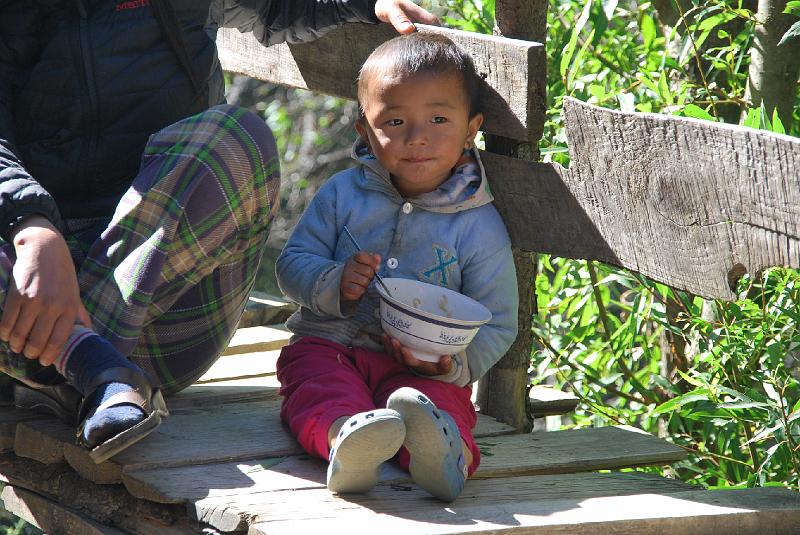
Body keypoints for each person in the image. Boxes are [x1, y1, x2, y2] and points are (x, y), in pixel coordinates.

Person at [0, 0, 438, 465]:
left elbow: (279, 6)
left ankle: (82, 360)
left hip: (159, 325)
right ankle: (93, 367)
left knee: (237, 137)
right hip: (18, 305)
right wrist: (30, 227)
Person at [275, 33, 519, 502]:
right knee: (316, 386)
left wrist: (451, 366)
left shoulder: (478, 226)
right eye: (395, 121)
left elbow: (499, 320)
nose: (417, 137)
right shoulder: (342, 194)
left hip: (424, 371)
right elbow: (292, 265)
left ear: (471, 128)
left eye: (439, 119)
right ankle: (346, 440)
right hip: (331, 345)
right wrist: (334, 283)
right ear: (364, 130)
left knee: (436, 408)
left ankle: (445, 458)